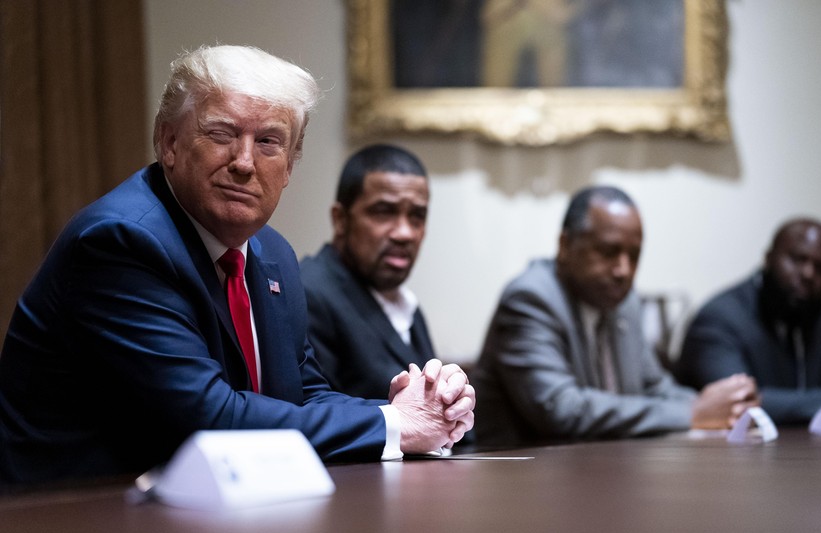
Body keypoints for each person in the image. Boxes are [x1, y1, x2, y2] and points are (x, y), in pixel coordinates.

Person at [0, 45, 474, 486]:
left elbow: (302, 395)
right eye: (221, 134)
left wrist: (422, 410)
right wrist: (397, 425)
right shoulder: (121, 242)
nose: (244, 163)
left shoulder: (274, 256)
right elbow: (207, 418)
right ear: (168, 143)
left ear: (290, 166)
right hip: (69, 524)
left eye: (269, 142)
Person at [473, 186, 757, 446]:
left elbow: (655, 387)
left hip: (601, 472)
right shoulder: (530, 298)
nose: (623, 270)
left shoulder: (625, 303)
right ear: (565, 246)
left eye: (634, 256)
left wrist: (726, 407)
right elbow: (561, 410)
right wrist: (691, 412)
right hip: (518, 481)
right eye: (608, 252)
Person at [676, 218, 821, 424]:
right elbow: (738, 404)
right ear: (768, 259)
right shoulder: (719, 319)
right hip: (725, 454)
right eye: (798, 259)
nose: (808, 273)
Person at [300, 144, 436, 400]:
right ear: (340, 219)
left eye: (417, 216)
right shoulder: (308, 294)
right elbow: (320, 413)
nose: (404, 233)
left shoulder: (403, 301)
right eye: (384, 212)